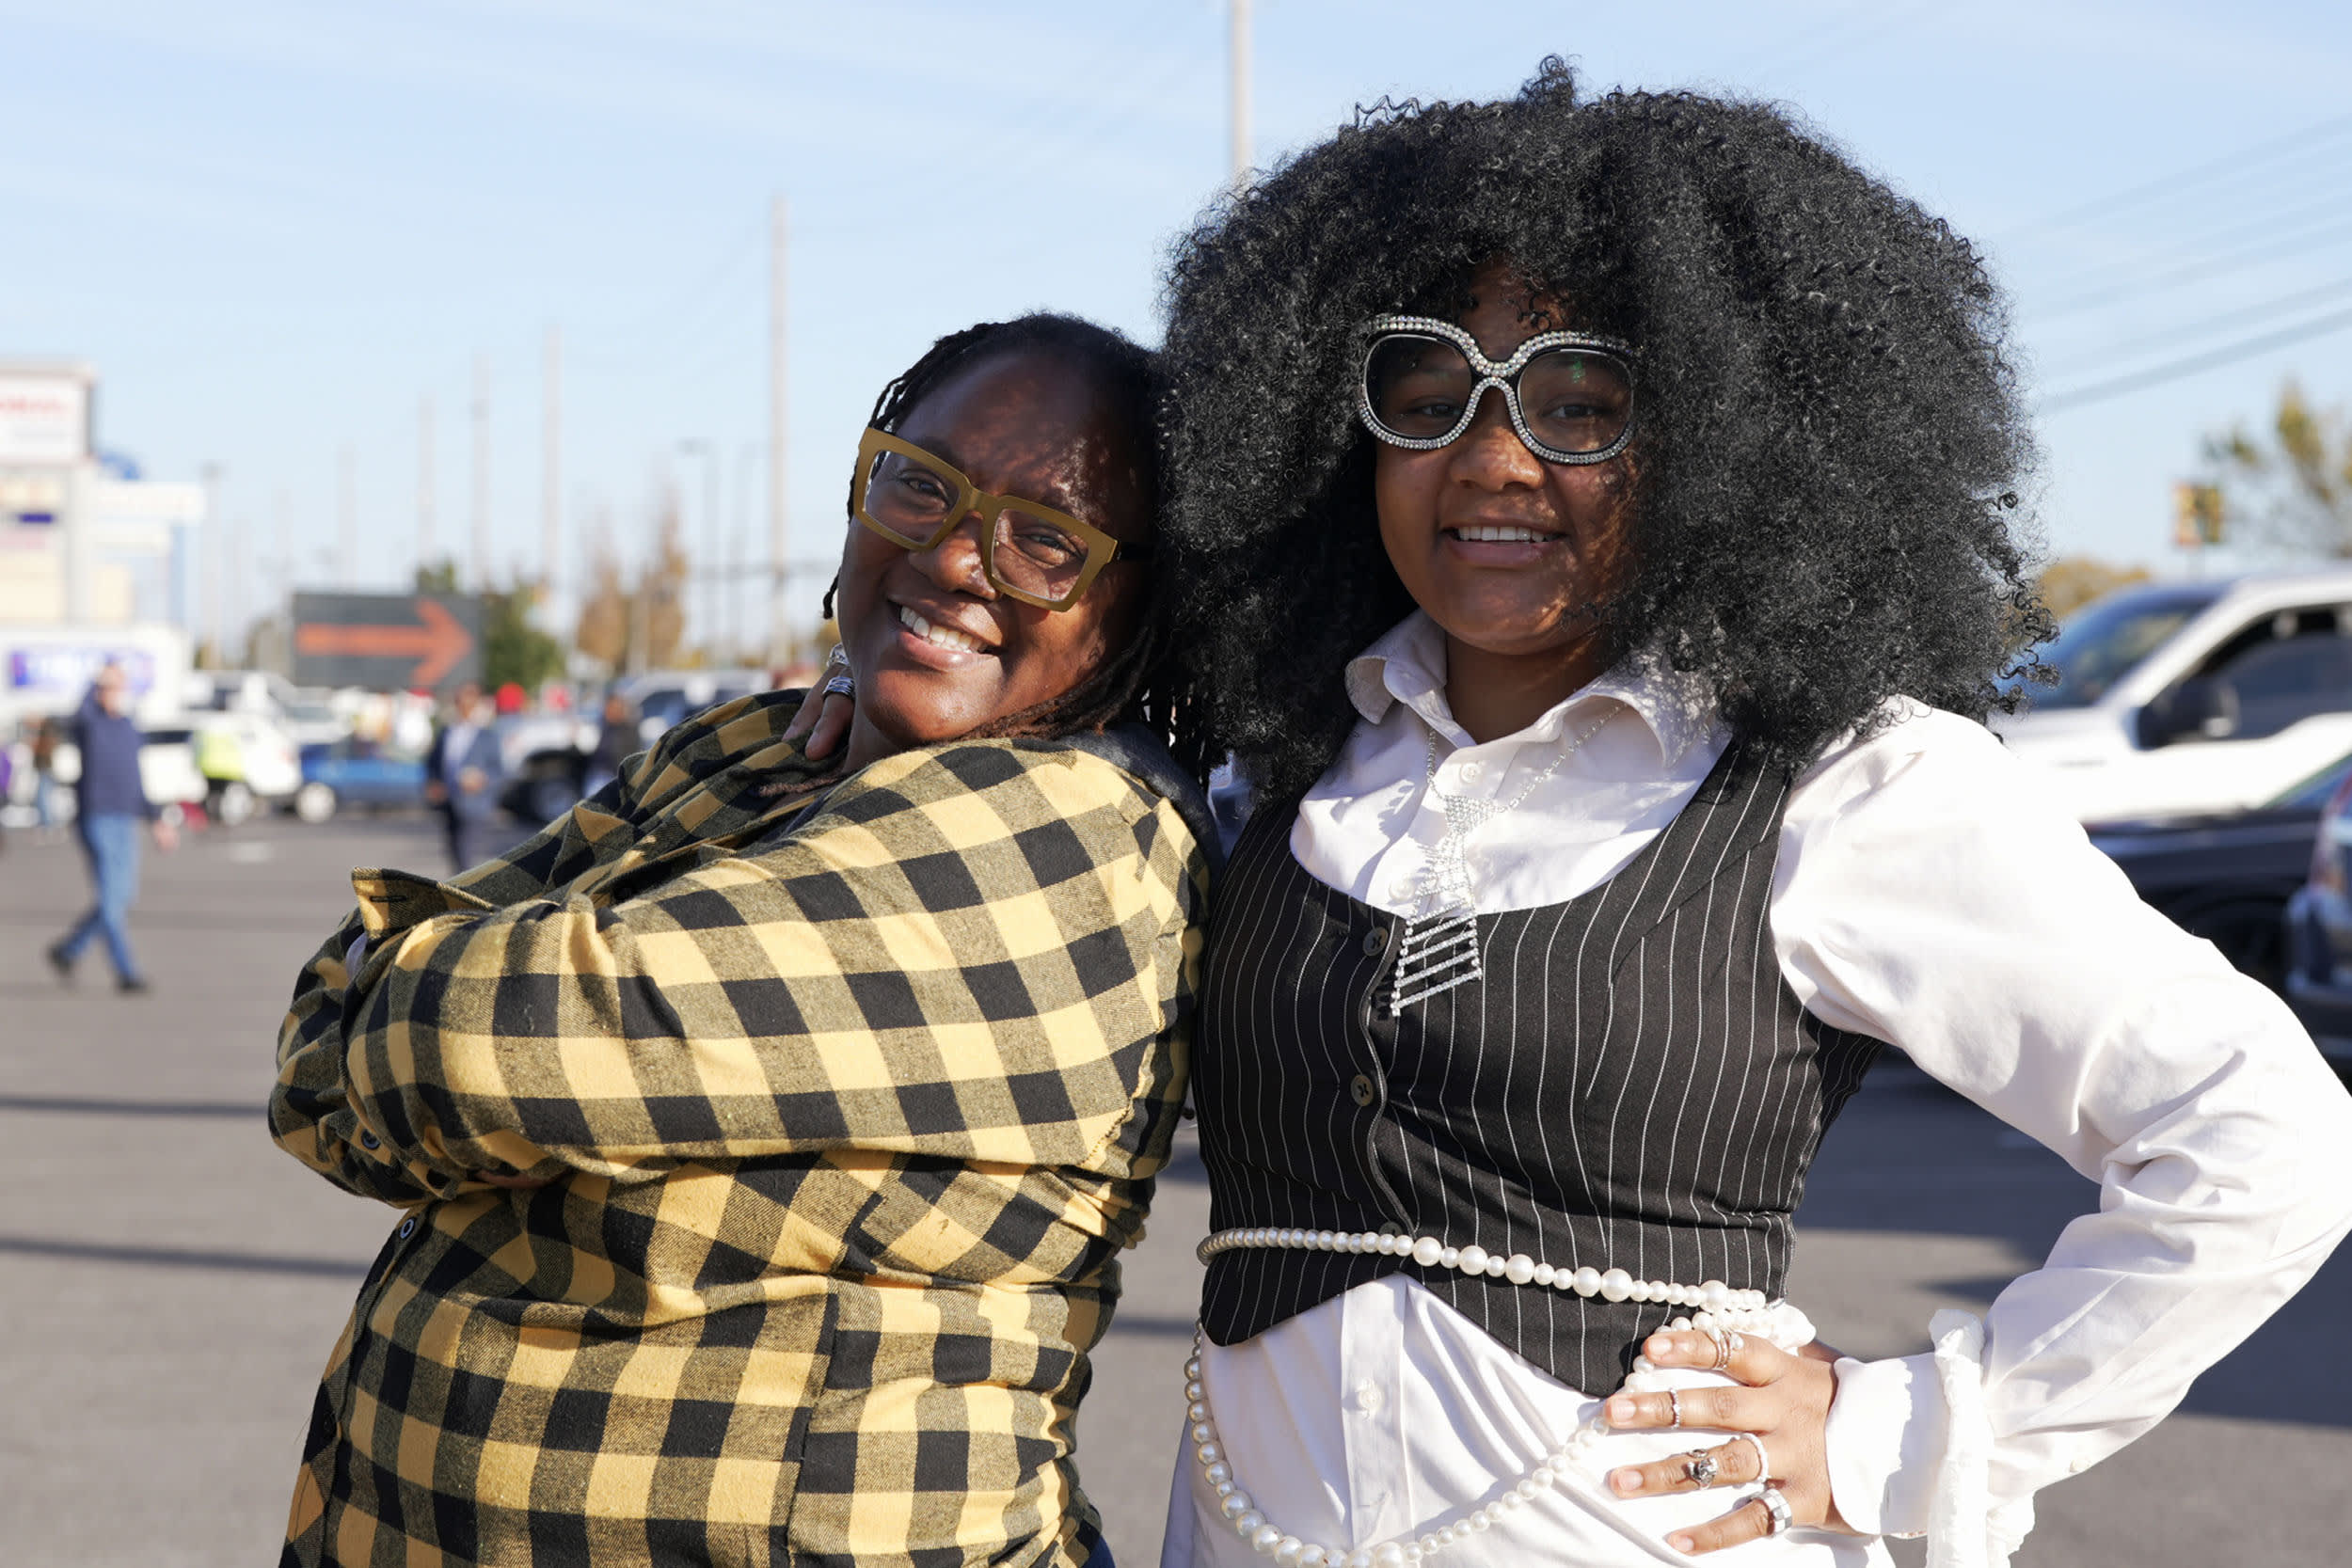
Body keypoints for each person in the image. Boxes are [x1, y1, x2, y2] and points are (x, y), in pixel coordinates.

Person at [1150, 64, 2352, 1568]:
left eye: (1583, 400)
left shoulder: (1839, 782)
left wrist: (1898, 1431)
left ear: (1723, 439)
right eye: (1427, 387)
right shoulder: (1285, 766)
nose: (1493, 457)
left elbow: (2265, 1131)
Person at [267, 313, 1211, 1568]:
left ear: (1144, 604)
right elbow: (317, 1045)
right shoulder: (757, 752)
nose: (953, 554)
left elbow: (465, 1045)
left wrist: (436, 1021)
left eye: (1046, 538)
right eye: (919, 482)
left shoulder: (1077, 844)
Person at [47, 663, 177, 992]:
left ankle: (68, 950)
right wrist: (95, 683)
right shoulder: (89, 722)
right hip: (97, 818)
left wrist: (156, 820)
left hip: (125, 818)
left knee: (121, 897)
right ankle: (126, 972)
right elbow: (76, 714)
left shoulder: (128, 728)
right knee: (110, 901)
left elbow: (136, 779)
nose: (110, 693)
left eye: (116, 687)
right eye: (105, 687)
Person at [424, 678, 505, 873]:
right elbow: (433, 763)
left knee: (465, 853)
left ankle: (461, 896)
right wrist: (433, 783)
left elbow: (500, 772)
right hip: (449, 801)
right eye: (460, 701)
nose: (464, 706)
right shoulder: (447, 733)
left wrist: (482, 780)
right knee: (452, 852)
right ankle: (458, 892)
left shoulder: (487, 736)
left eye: (469, 701)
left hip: (475, 804)